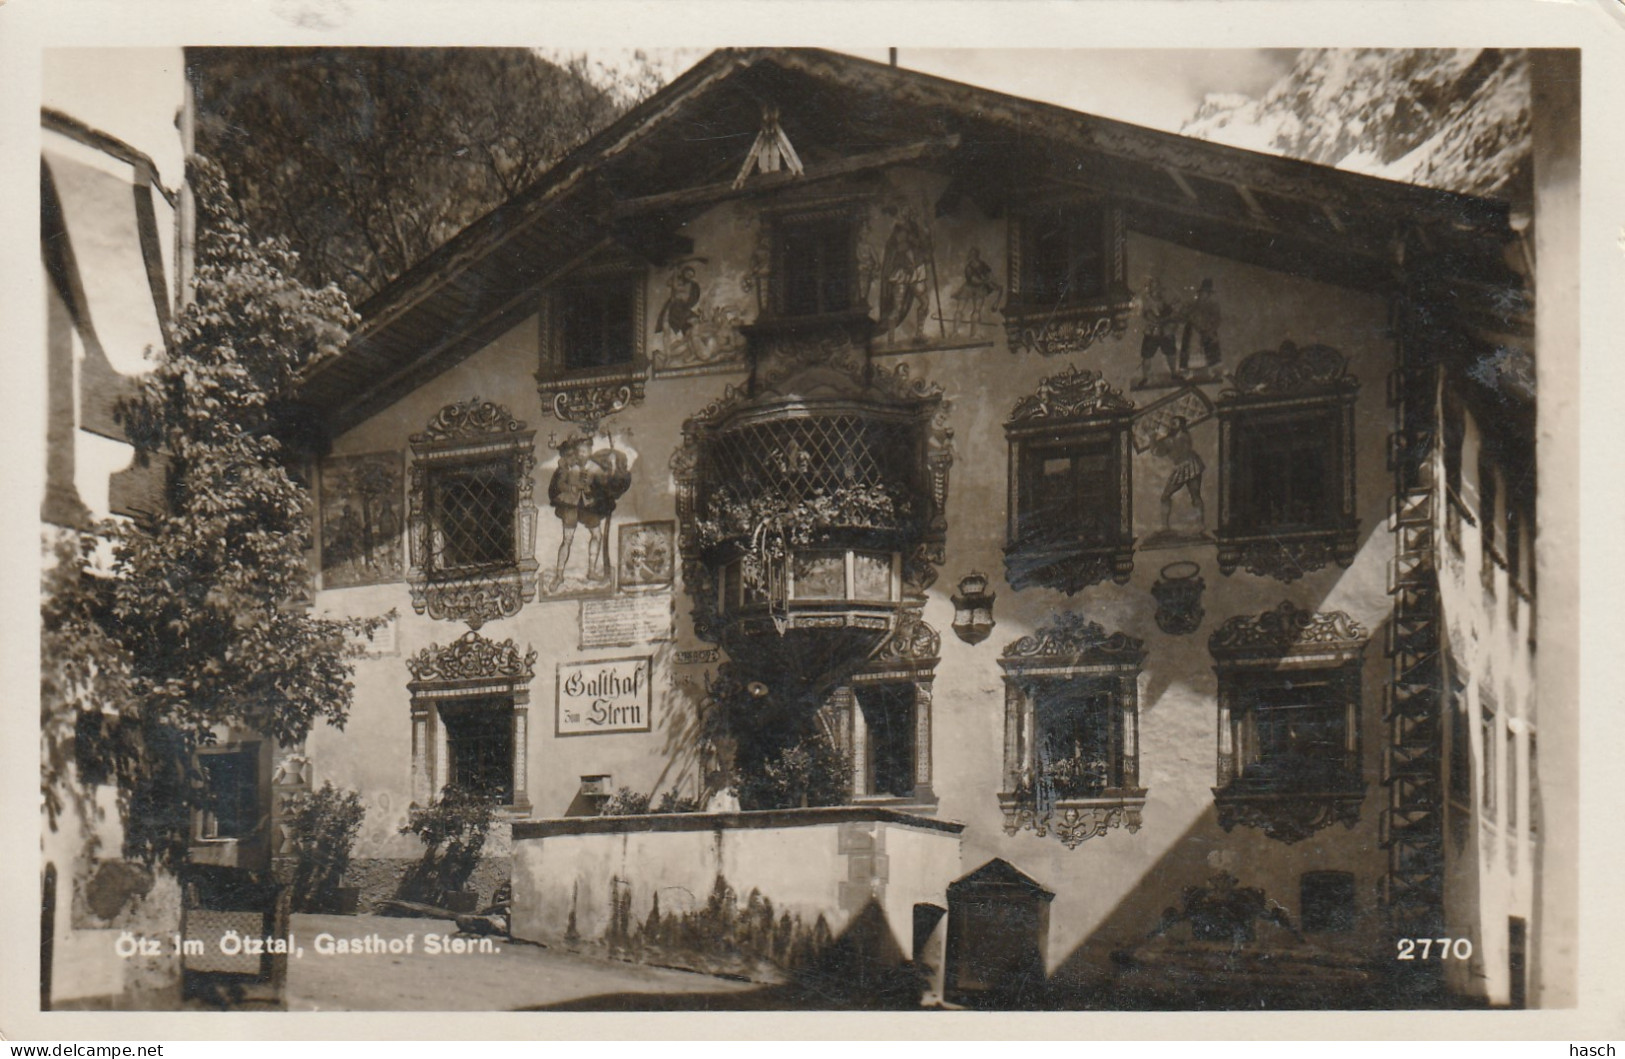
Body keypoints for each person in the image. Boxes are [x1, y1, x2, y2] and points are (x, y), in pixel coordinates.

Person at [1155, 415, 1206, 532]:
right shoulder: (1172, 437)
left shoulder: (1182, 436)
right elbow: (1159, 452)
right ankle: (1165, 527)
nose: (1171, 426)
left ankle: (1200, 524)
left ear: (1181, 426)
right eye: (1171, 423)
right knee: (1166, 496)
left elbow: (1175, 446)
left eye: (1175, 423)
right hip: (1183, 466)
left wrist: (1159, 436)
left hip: (1191, 465)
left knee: (1195, 495)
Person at [949, 246, 1001, 337]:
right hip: (970, 288)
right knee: (960, 310)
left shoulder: (982, 265)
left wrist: (994, 283)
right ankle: (955, 332)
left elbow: (990, 275)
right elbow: (973, 280)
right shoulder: (969, 267)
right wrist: (987, 282)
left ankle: (973, 334)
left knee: (976, 310)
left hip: (979, 289)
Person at [1139, 276, 1180, 385]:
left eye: (1157, 288)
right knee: (1147, 356)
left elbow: (1169, 315)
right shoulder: (1147, 302)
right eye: (1153, 288)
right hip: (1152, 332)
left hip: (1165, 332)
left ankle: (1174, 374)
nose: (1156, 290)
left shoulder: (1163, 301)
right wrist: (1168, 311)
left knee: (1171, 353)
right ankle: (1145, 378)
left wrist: (1170, 311)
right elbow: (1153, 317)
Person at [1180, 277, 1222, 373]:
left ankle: (1211, 371)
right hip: (1192, 332)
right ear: (1200, 293)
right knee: (1190, 351)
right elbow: (1182, 317)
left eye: (1207, 293)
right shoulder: (1191, 304)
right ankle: (1188, 371)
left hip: (1208, 331)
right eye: (1203, 292)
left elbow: (1217, 320)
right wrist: (1185, 311)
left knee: (1211, 353)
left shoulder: (1213, 306)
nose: (1204, 295)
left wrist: (1210, 331)